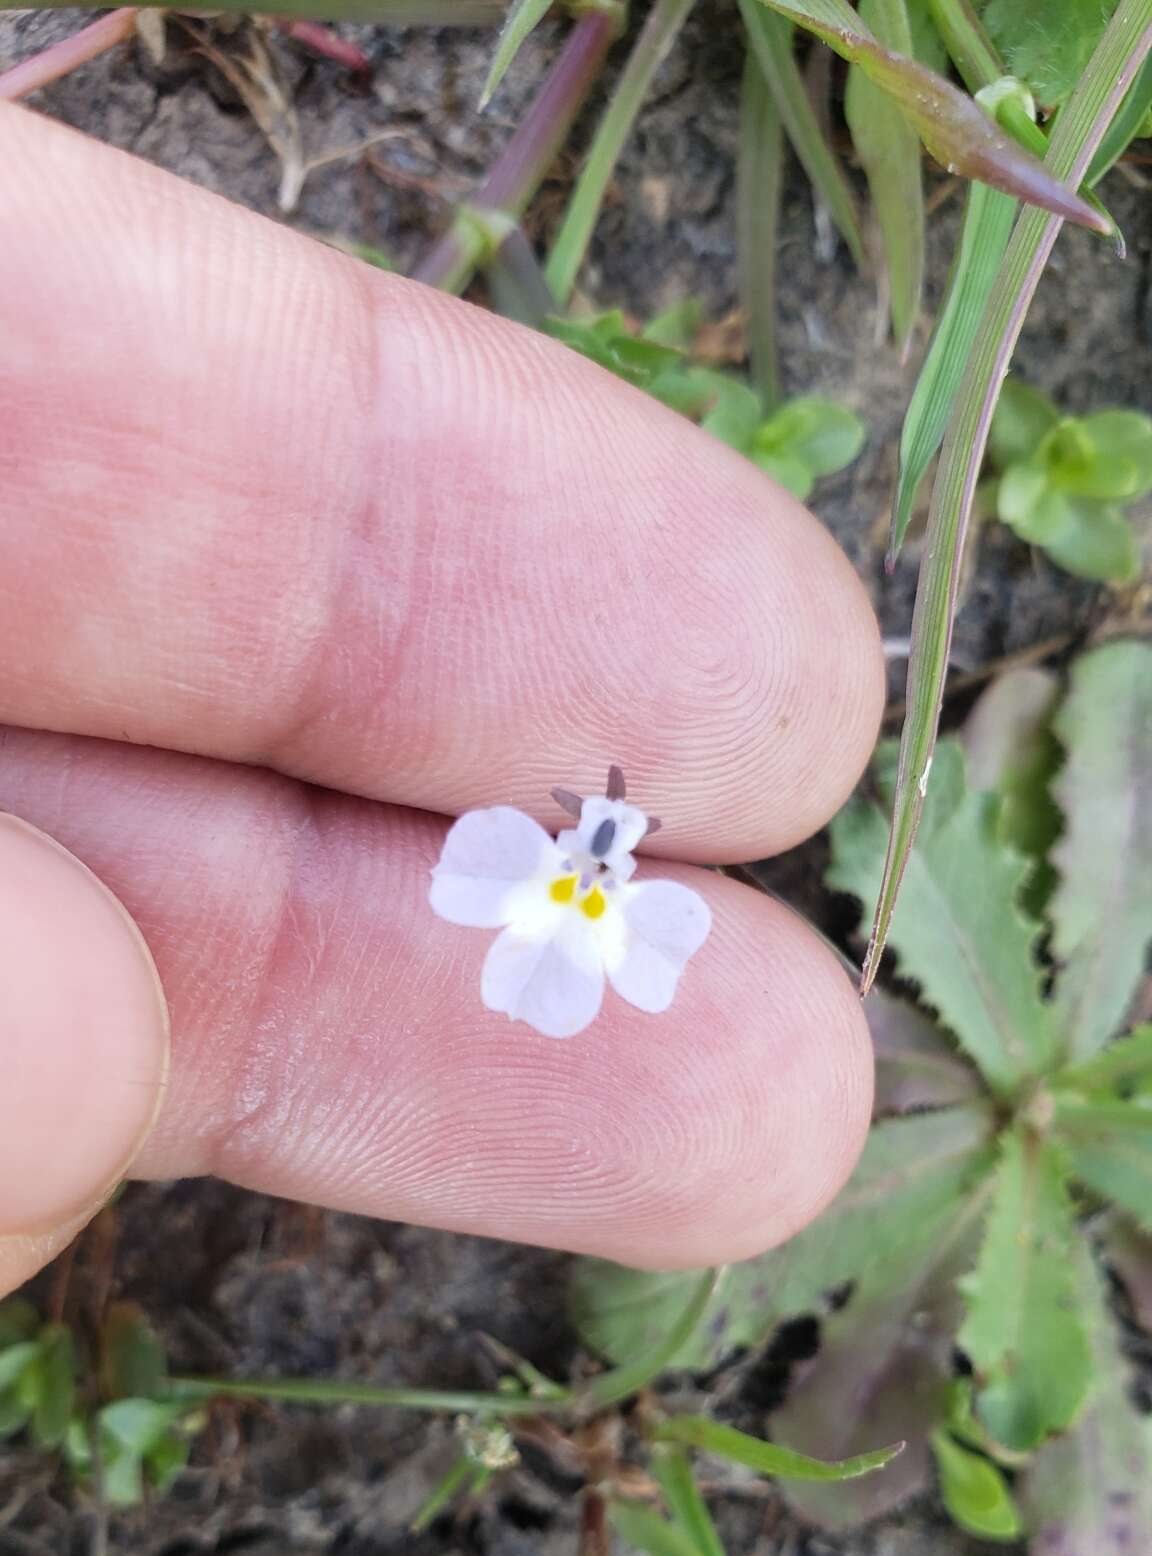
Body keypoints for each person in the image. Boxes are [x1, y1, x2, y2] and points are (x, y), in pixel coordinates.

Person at [0, 99, 884, 1299]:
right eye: (589, 866)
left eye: (588, 868)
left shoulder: (576, 873)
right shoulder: (556, 860)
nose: (585, 871)